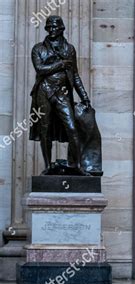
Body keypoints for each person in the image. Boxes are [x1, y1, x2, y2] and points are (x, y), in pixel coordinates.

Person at [29, 16, 91, 175]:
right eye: (48, 27)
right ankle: (48, 166)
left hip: (63, 94)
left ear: (62, 28)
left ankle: (75, 166)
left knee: (72, 128)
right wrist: (61, 64)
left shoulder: (69, 49)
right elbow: (40, 69)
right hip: (44, 91)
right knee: (45, 130)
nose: (51, 29)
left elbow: (75, 75)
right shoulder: (38, 48)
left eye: (54, 27)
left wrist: (84, 96)